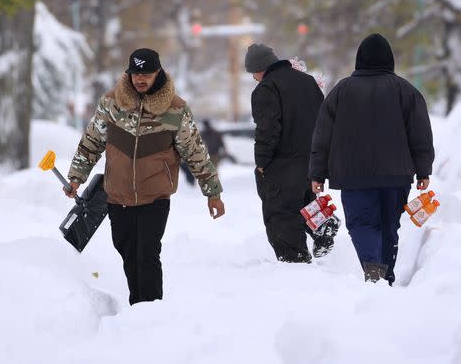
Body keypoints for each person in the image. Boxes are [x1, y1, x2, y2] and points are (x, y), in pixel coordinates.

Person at [65, 48, 226, 305]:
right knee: (126, 250)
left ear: (157, 73)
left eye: (147, 74)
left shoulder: (175, 109)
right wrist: (76, 177)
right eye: (136, 74)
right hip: (117, 195)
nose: (140, 79)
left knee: (147, 253)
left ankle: (150, 310)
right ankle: (137, 304)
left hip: (155, 197)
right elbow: (92, 141)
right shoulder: (111, 103)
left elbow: (195, 151)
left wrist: (213, 193)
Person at [309, 33, 434, 284]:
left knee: (362, 225)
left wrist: (317, 173)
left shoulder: (341, 91)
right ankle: (383, 275)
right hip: (395, 176)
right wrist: (423, 170)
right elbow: (419, 132)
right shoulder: (406, 91)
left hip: (353, 175)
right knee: (389, 226)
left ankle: (374, 274)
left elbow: (322, 135)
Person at [246, 43, 338, 263]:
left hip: (282, 163)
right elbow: (324, 121)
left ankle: (294, 261)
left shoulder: (266, 88)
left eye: (253, 74)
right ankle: (323, 224)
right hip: (311, 160)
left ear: (259, 69)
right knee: (306, 201)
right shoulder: (307, 81)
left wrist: (262, 162)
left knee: (281, 213)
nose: (254, 79)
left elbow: (267, 128)